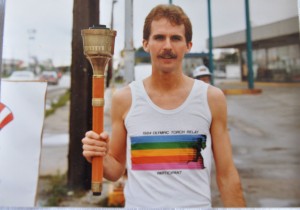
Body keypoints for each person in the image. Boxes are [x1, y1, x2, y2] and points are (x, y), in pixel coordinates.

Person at [82, 4, 246, 208]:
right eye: (159, 37)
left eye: (176, 38)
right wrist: (98, 154)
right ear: (145, 44)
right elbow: (115, 170)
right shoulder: (125, 99)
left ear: (188, 45)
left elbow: (227, 174)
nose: (167, 46)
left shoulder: (211, 98)